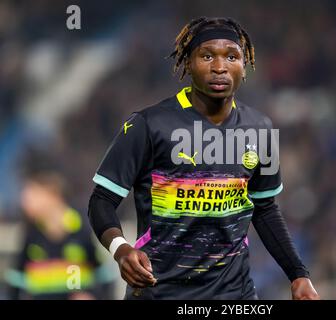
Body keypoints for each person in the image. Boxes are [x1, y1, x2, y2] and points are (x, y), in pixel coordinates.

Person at [88, 17, 320, 300]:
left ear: (244, 66)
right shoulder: (148, 125)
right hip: (159, 291)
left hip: (235, 295)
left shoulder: (260, 129)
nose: (220, 67)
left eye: (231, 57)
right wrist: (120, 249)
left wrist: (297, 274)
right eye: (207, 55)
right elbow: (102, 200)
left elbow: (265, 208)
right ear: (188, 63)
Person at [6, 170, 105, 300]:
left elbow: (103, 275)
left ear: (52, 195)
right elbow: (16, 279)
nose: (24, 203)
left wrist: (90, 295)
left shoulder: (82, 229)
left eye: (32, 196)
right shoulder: (31, 234)